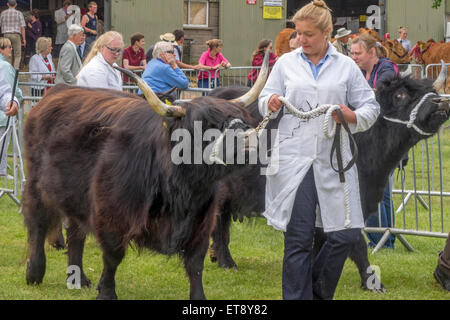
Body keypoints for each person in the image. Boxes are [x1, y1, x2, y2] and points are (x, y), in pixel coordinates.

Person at [259, 0, 379, 300]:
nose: (301, 40)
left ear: (327, 33)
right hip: (295, 163)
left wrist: (348, 115)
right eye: (298, 33)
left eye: (308, 34)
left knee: (346, 234)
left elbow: (370, 107)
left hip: (333, 160)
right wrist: (271, 101)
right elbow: (264, 97)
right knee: (298, 239)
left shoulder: (346, 66)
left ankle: (319, 291)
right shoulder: (286, 63)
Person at [350, 33, 398, 249]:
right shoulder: (359, 71)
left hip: (386, 140)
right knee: (382, 190)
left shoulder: (386, 69)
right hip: (369, 138)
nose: (353, 57)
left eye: (357, 53)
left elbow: (383, 94)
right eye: (351, 53)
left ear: (372, 52)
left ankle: (379, 239)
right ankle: (385, 240)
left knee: (373, 187)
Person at [0, 37, 21, 177]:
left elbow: (5, 91)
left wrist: (12, 101)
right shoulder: (5, 66)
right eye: (8, 47)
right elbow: (12, 88)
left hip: (5, 111)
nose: (11, 49)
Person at [0, 0, 26, 69]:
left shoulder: (3, 13)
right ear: (16, 4)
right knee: (17, 55)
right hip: (16, 34)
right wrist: (24, 39)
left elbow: (0, 24)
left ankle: (8, 70)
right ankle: (15, 72)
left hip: (6, 35)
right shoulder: (19, 13)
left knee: (8, 54)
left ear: (7, 4)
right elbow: (22, 27)